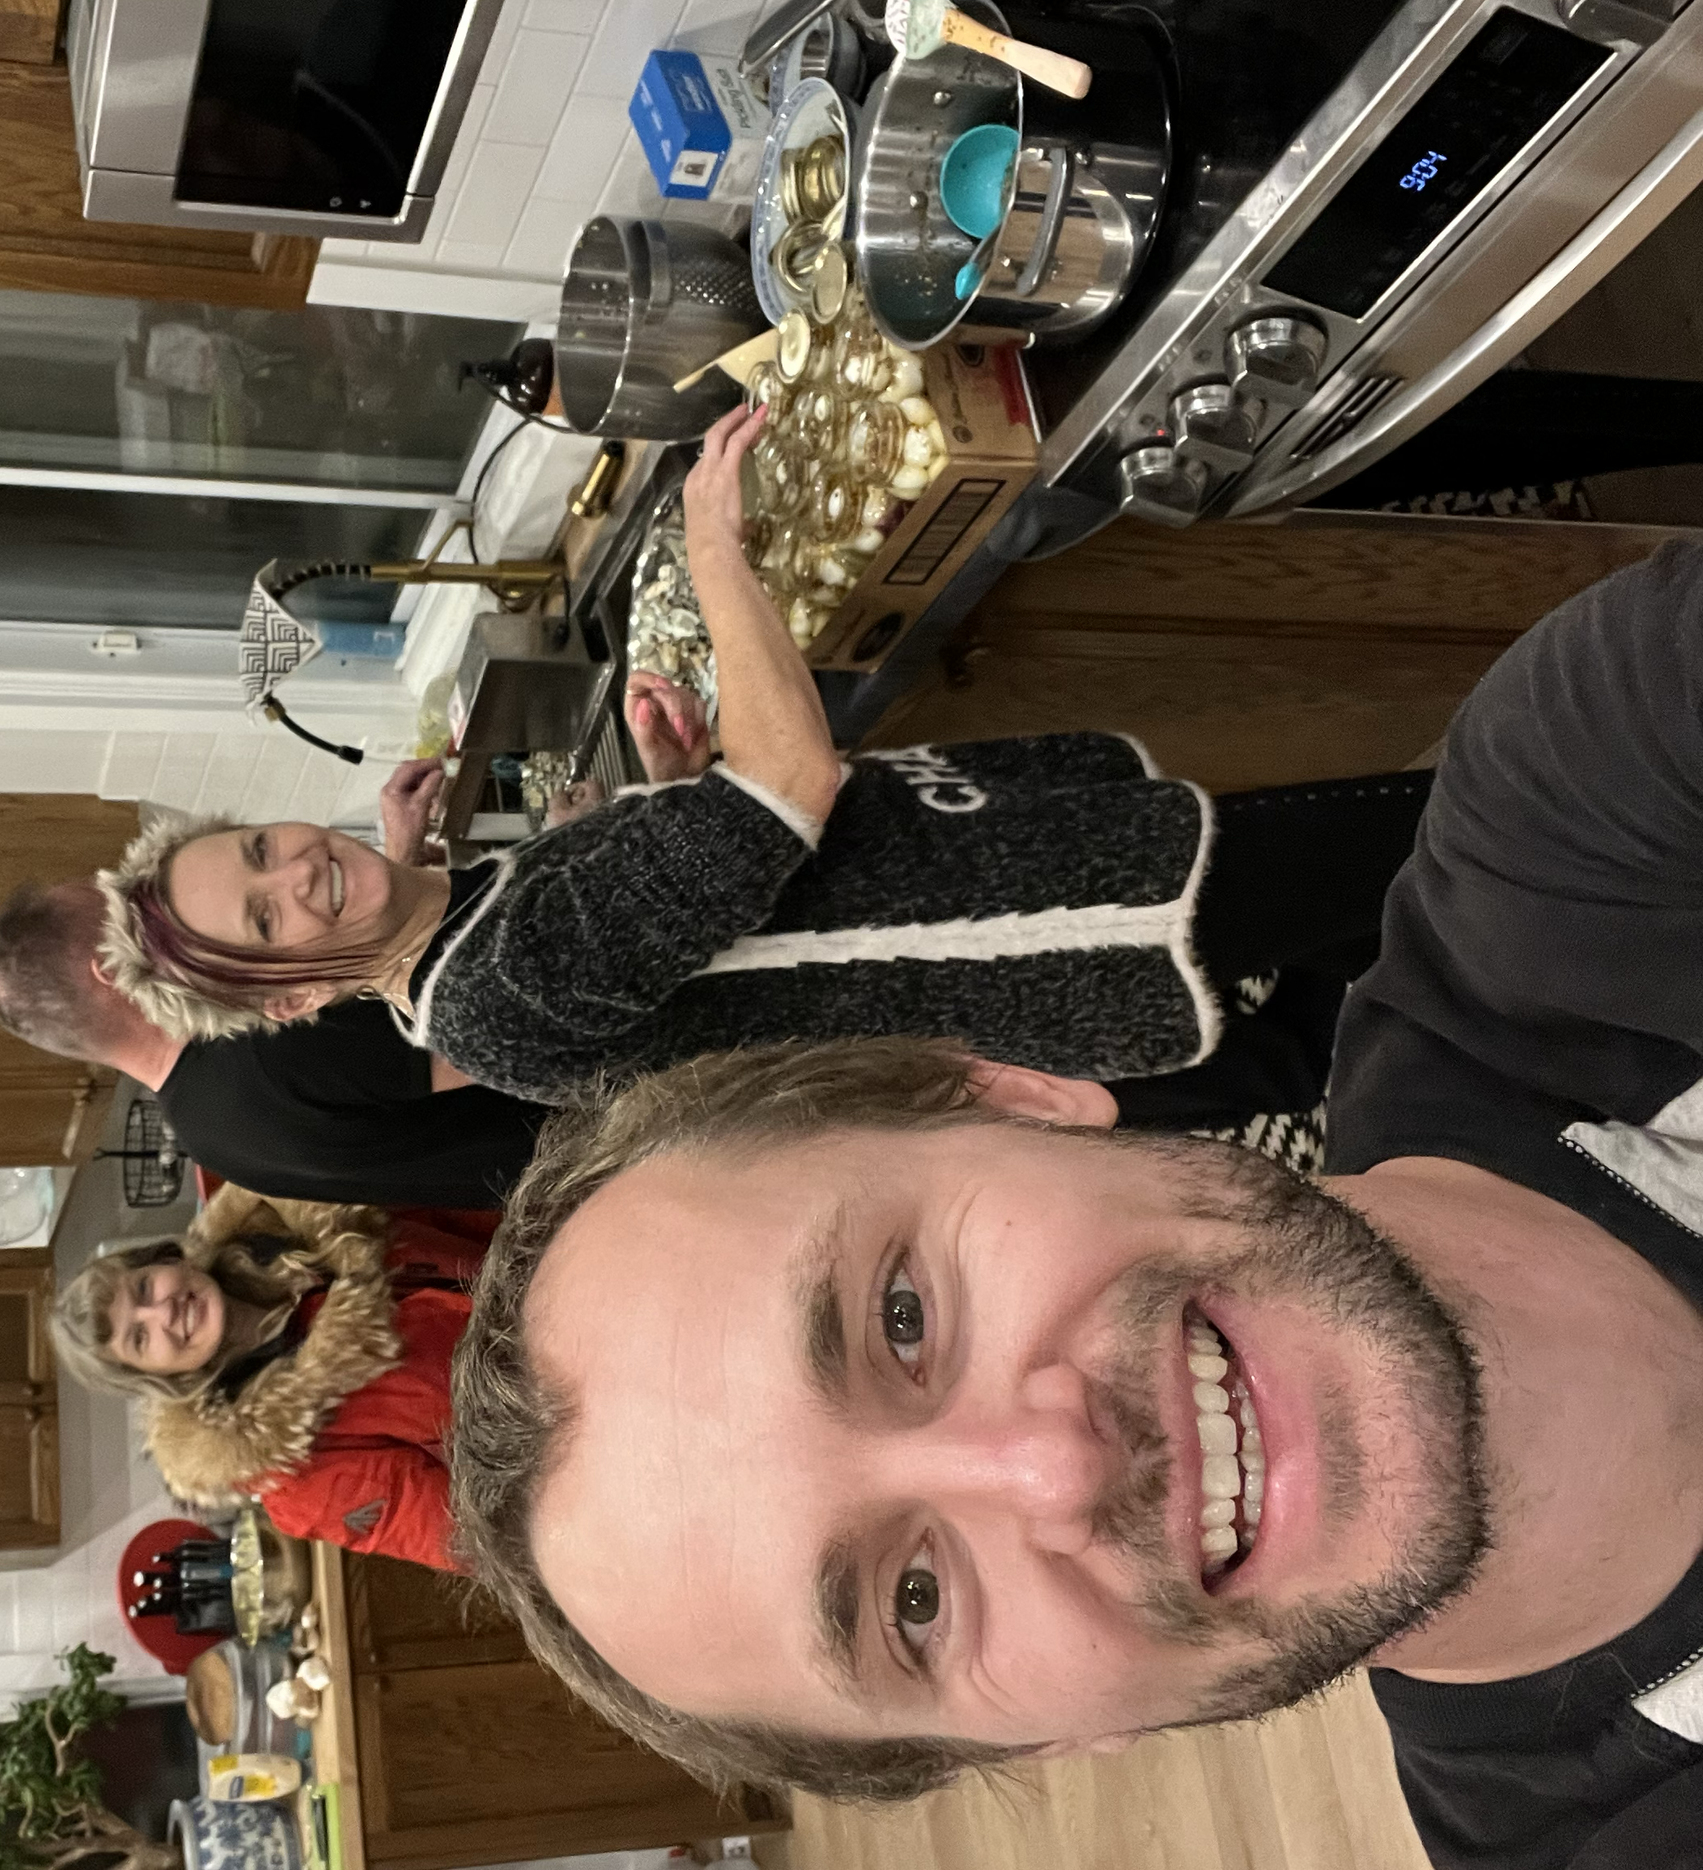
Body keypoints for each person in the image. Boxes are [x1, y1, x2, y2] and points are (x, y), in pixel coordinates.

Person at [442, 540, 1703, 1869]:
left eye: (904, 1311)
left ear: (1020, 1093)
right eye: (914, 1600)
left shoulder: (1598, 814)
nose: (1057, 1465)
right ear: (1045, 1738)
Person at [96, 404, 1431, 1108]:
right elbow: (791, 788)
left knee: (1432, 892)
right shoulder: (491, 995)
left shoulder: (462, 939)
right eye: (268, 918)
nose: (299, 875)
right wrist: (712, 543)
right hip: (1067, 924)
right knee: (1471, 854)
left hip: (1049, 869)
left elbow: (694, 951)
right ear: (287, 1000)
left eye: (262, 849)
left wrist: (669, 795)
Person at [0, 676, 720, 1208]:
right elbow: (536, 1000)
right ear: (111, 969)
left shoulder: (205, 1131)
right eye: (124, 915)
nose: (146, 912)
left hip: (654, 1150)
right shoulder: (264, 1045)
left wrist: (401, 855)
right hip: (693, 1080)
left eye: (258, 848)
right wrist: (622, 823)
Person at [51, 1183, 487, 1569]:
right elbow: (470, 1534)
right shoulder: (287, 1469)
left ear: (169, 1259)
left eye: (144, 1288)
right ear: (155, 1377)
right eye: (140, 1338)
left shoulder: (316, 1225)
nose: (164, 1312)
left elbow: (464, 1216)